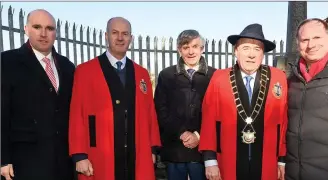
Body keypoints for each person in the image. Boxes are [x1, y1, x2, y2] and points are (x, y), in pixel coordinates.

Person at [68, 17, 161, 180]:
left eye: (125, 34)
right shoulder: (84, 71)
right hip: (100, 153)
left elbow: (150, 114)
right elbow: (77, 114)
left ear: (131, 38)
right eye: (115, 33)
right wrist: (79, 155)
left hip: (137, 153)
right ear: (106, 36)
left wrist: (152, 148)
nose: (120, 38)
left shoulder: (141, 73)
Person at [199, 23, 288, 180]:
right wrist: (210, 160)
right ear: (236, 51)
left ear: (263, 54)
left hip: (266, 161)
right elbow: (208, 120)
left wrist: (281, 160)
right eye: (246, 48)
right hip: (228, 160)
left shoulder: (278, 78)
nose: (251, 55)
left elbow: (283, 121)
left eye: (257, 49)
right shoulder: (219, 78)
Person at [1, 9, 75, 180]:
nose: (43, 34)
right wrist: (3, 159)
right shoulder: (6, 63)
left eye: (49, 28)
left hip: (63, 162)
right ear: (26, 29)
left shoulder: (68, 66)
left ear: (56, 32)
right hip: (25, 162)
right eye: (37, 27)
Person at [154, 29, 216, 180]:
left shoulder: (214, 76)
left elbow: (217, 112)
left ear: (202, 48)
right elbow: (160, 110)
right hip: (175, 150)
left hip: (202, 153)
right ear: (178, 49)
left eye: (195, 46)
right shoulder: (166, 75)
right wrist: (182, 132)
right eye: (185, 47)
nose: (190, 51)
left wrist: (198, 135)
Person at [285, 18, 328, 180]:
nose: (311, 45)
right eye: (305, 40)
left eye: (317, 38)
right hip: (294, 172)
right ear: (298, 43)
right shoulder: (293, 79)